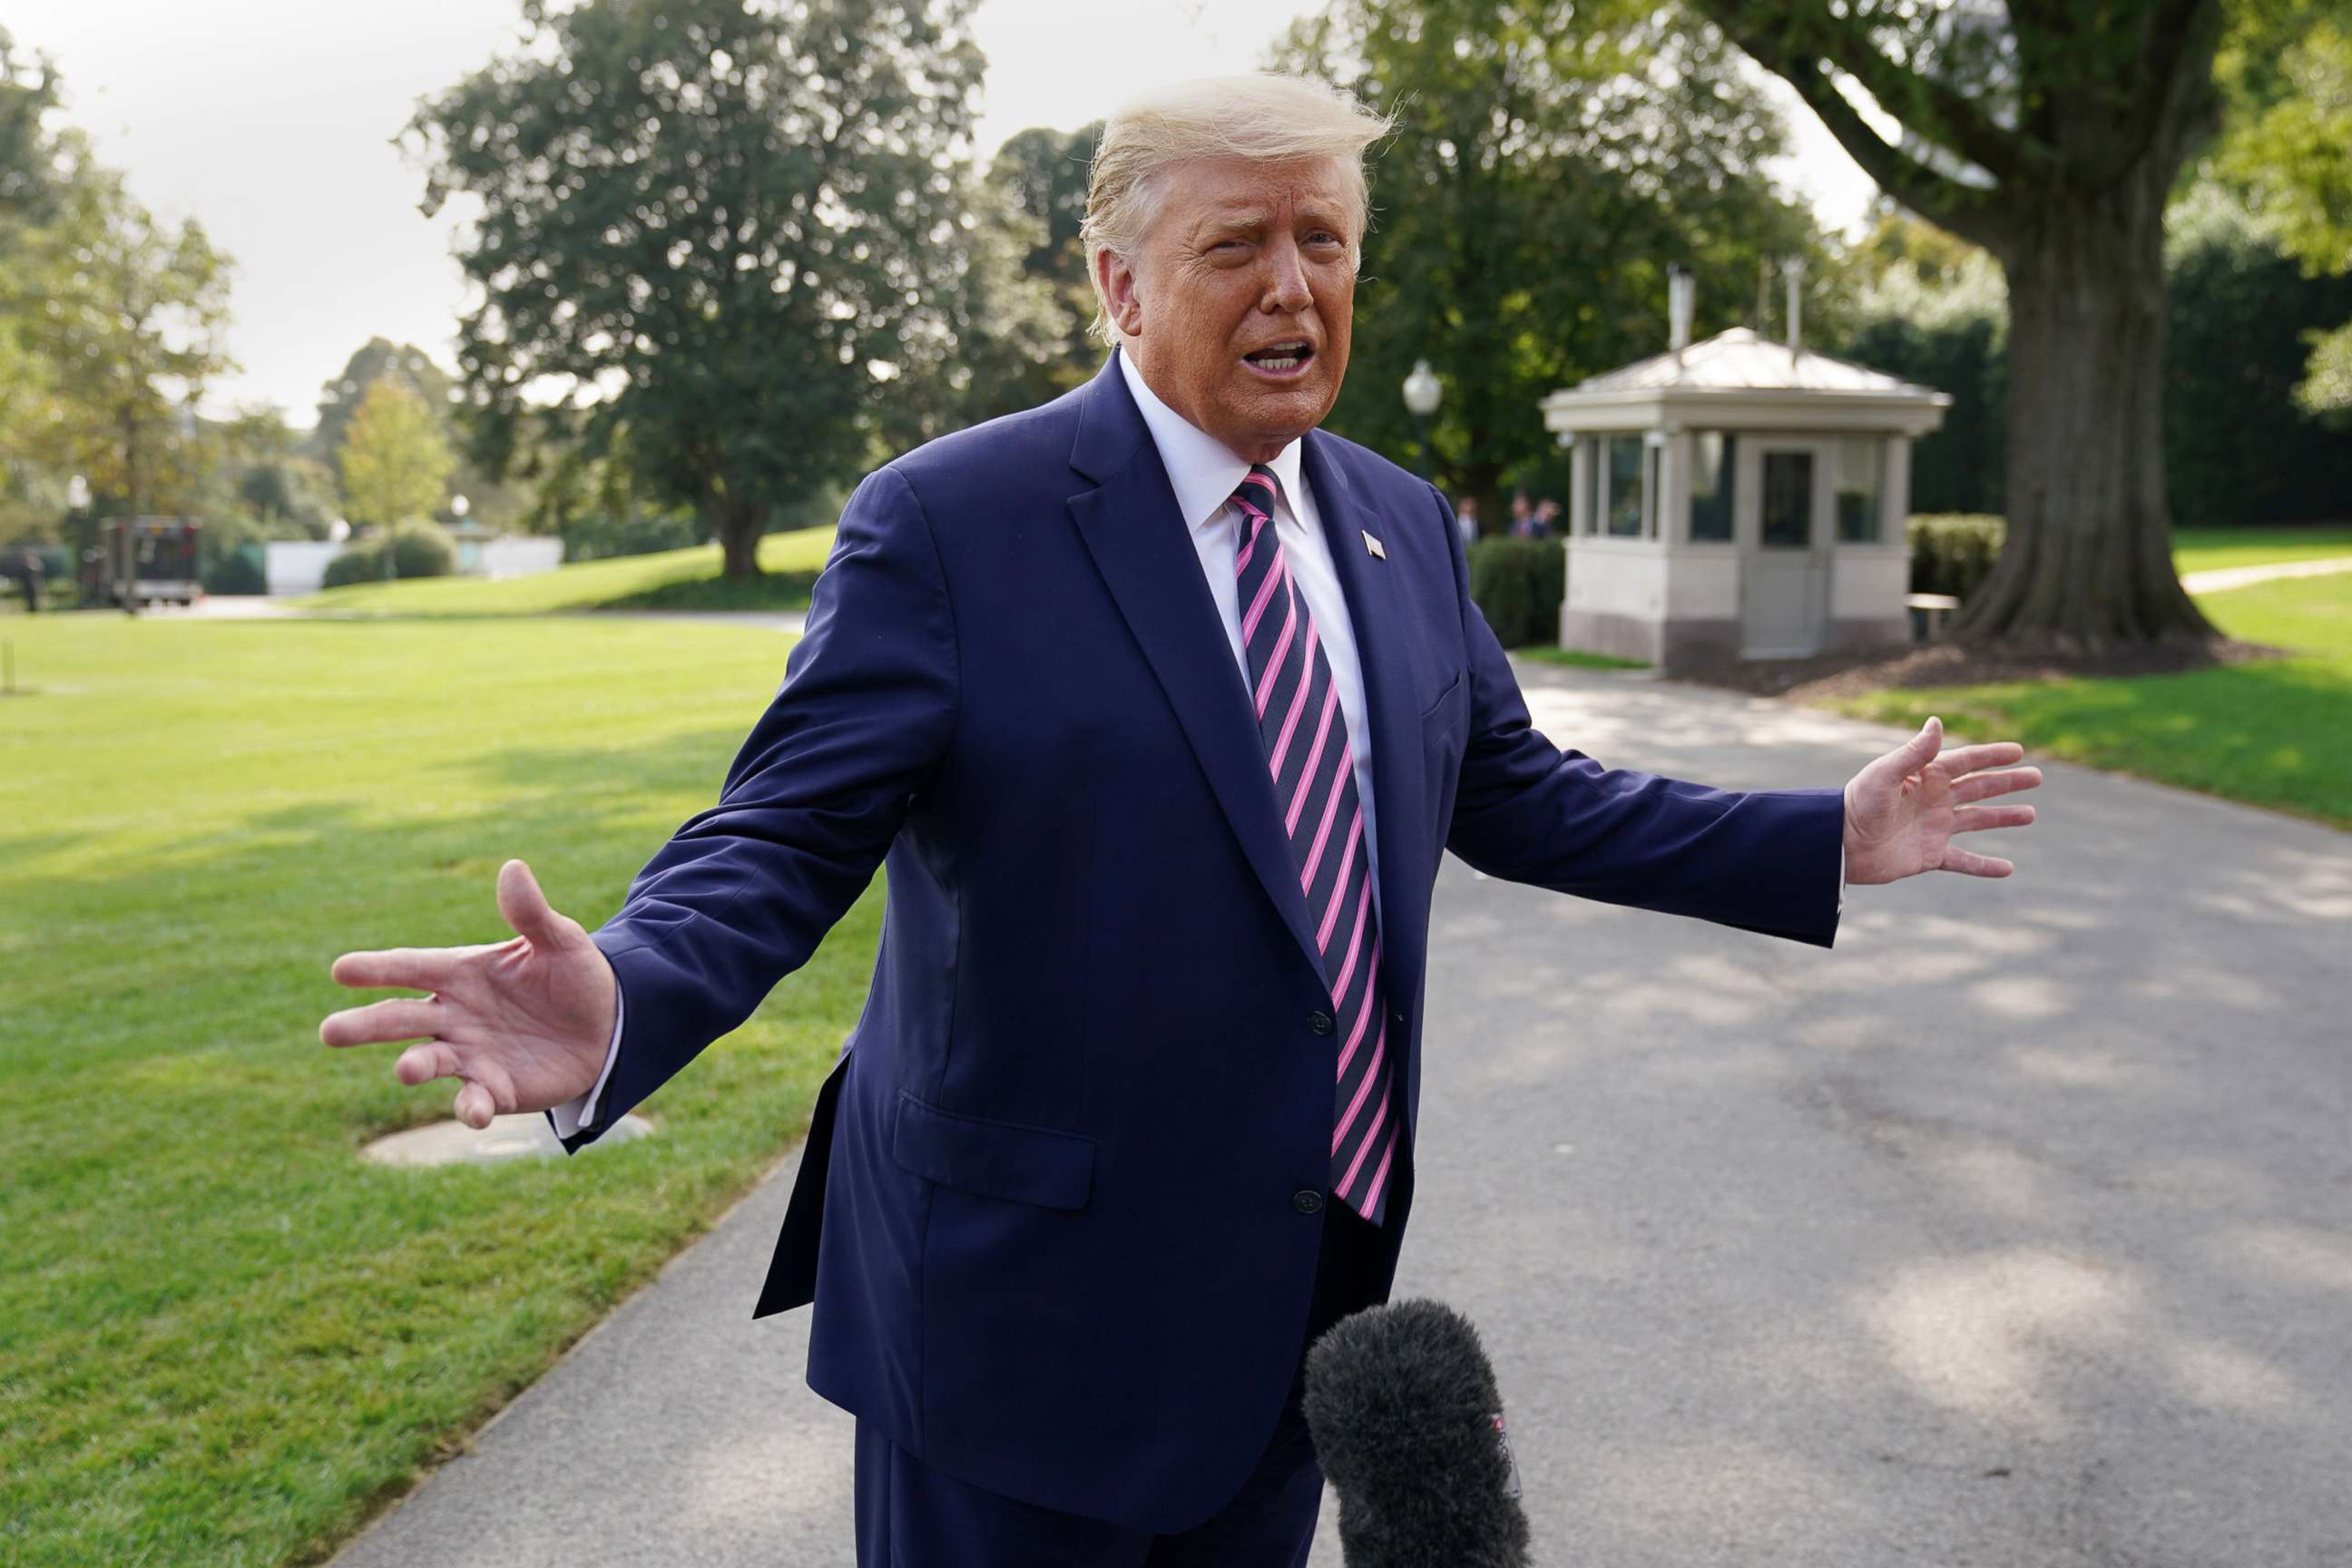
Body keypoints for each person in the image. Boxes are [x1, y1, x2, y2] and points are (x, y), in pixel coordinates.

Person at [319, 74, 2041, 1566]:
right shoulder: (950, 524)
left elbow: (1517, 792)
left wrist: (1821, 838)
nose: (1295, 285)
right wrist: (630, 985)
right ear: (1116, 282)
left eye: (1327, 241)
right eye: (1240, 246)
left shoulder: (1397, 524)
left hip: (1289, 1304)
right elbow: (780, 832)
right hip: (1013, 1333)